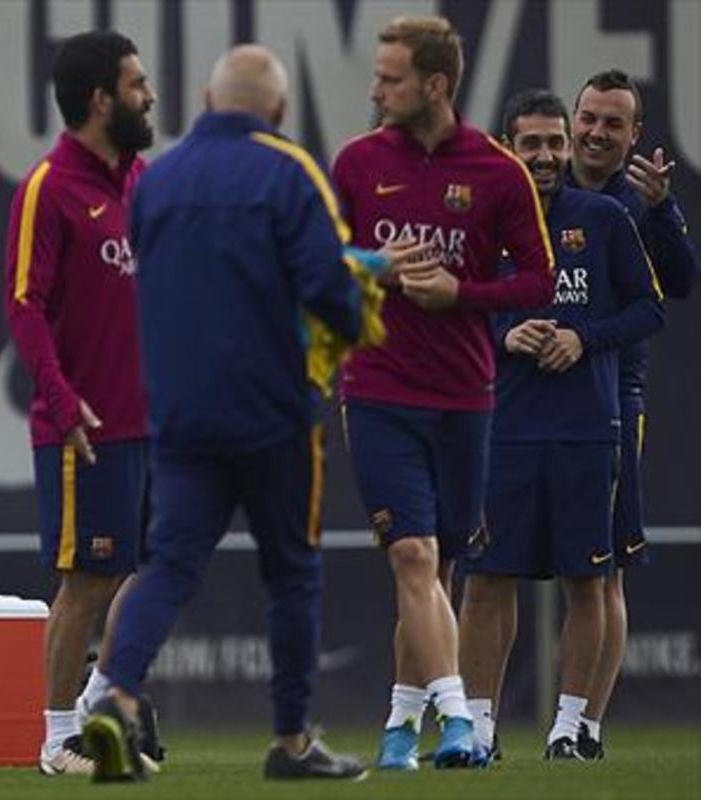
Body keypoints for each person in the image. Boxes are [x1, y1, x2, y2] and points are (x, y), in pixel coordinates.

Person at [81, 44, 380, 784]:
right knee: (291, 573)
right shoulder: (290, 169)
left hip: (180, 413)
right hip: (274, 412)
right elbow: (329, 289)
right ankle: (290, 741)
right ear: (276, 109)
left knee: (171, 565)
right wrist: (357, 308)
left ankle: (115, 696)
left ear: (210, 102)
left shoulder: (158, 180)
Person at [331, 16, 555, 770]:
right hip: (378, 388)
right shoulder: (358, 162)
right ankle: (460, 722)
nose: (375, 89)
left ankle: (399, 727)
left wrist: (460, 292)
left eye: (390, 78)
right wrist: (374, 264)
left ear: (435, 84)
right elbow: (320, 260)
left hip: (466, 395)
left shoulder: (498, 172)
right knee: (413, 558)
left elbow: (539, 279)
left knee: (436, 570)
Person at [458, 88, 665, 760]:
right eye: (532, 144)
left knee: (588, 580)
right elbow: (450, 310)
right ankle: (479, 729)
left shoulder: (603, 217)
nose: (545, 155)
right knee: (487, 579)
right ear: (506, 148)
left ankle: (569, 729)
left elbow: (649, 310)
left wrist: (584, 339)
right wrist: (504, 334)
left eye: (554, 142)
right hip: (503, 429)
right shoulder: (482, 227)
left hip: (586, 427)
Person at [2, 30, 159, 777]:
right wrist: (62, 404)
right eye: (136, 85)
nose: (148, 96)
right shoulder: (48, 186)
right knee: (86, 581)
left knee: (155, 567)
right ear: (101, 100)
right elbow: (24, 306)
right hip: (84, 430)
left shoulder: (140, 182)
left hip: (151, 421)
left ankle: (101, 711)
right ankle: (56, 738)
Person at [564, 69, 698, 759]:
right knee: (495, 564)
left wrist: (667, 210)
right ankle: (486, 719)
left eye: (613, 123)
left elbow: (678, 284)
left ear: (634, 134)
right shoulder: (543, 191)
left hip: (616, 399)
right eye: (588, 117)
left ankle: (585, 723)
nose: (596, 132)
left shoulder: (641, 202)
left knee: (604, 566)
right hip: (537, 397)